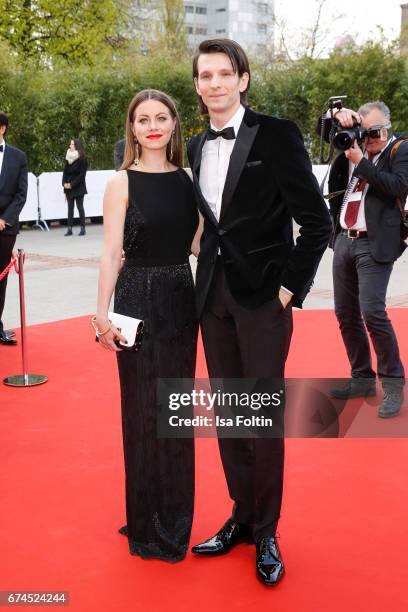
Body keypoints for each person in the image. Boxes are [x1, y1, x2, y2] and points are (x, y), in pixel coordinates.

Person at [187, 39, 332, 585]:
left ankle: (267, 530)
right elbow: (210, 224)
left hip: (264, 300)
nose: (215, 84)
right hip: (213, 300)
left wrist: (290, 290)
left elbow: (317, 223)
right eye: (206, 76)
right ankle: (242, 518)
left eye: (225, 73)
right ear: (197, 85)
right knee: (230, 416)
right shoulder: (197, 147)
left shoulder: (278, 135)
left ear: (243, 80)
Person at [94, 89, 199, 562]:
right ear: (132, 128)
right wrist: (100, 314)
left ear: (175, 124)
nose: (152, 126)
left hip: (181, 297)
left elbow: (198, 244)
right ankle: (143, 517)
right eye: (143, 120)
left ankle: (174, 519)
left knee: (173, 409)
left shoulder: (188, 179)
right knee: (139, 408)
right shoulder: (121, 183)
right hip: (134, 297)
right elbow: (111, 252)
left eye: (161, 117)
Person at [320, 101, 407, 418]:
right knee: (345, 313)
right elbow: (324, 134)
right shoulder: (351, 145)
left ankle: (394, 382)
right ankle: (361, 378)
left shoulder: (401, 148)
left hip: (375, 244)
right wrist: (335, 119)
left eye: (371, 132)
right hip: (344, 239)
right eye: (362, 131)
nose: (366, 138)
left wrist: (362, 161)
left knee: (372, 311)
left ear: (386, 126)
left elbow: (398, 186)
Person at [0, 112, 28, 346]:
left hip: (5, 229)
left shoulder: (18, 157)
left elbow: (21, 194)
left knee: (1, 279)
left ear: (2, 128)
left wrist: (4, 219)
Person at [62, 139, 88, 236]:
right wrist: (64, 183)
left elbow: (82, 175)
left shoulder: (82, 159)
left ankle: (82, 228)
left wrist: (72, 184)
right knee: (70, 208)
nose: (70, 146)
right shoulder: (68, 157)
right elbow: (65, 172)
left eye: (72, 144)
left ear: (77, 146)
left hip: (79, 187)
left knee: (80, 207)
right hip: (68, 187)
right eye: (70, 144)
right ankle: (69, 229)